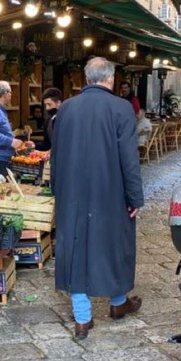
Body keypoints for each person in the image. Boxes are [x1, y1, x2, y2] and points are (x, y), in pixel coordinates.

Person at [51, 57, 144, 340]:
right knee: (113, 244)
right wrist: (135, 197)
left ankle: (84, 318)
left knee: (78, 246)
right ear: (111, 79)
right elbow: (130, 158)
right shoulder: (121, 108)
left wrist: (57, 189)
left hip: (72, 191)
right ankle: (117, 304)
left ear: (87, 78)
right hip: (110, 189)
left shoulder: (65, 108)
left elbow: (56, 154)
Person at [35, 87, 62, 152]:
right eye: (45, 105)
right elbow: (46, 145)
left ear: (58, 103)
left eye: (49, 104)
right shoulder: (48, 121)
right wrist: (34, 145)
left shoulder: (67, 119)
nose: (47, 108)